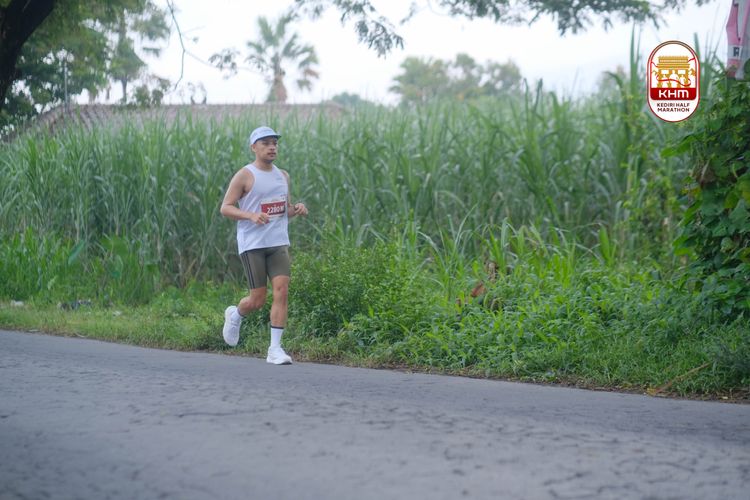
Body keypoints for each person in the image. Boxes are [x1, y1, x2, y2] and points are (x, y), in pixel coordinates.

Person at [220, 126, 308, 364]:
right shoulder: (245, 175)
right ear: (254, 147)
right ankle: (236, 314)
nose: (272, 147)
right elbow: (225, 207)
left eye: (275, 143)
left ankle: (275, 349)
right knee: (257, 300)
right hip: (253, 244)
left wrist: (296, 209)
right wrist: (250, 215)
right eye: (266, 143)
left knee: (282, 291)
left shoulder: (283, 176)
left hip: (278, 243)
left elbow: (283, 210)